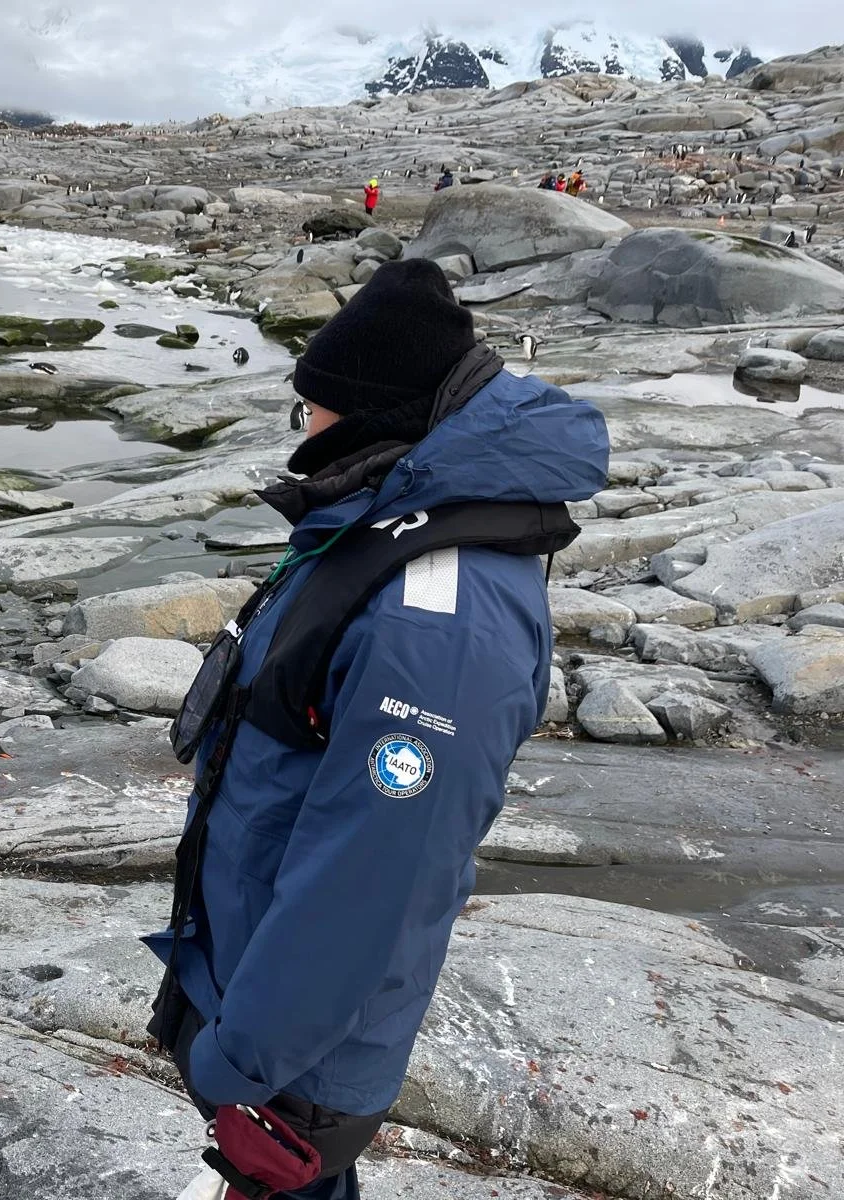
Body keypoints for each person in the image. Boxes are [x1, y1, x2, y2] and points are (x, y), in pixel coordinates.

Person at [146, 259, 608, 1200]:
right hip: (263, 982)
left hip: (296, 1048)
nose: (304, 428)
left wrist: (245, 1057)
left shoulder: (431, 623)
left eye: (310, 408)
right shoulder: (391, 514)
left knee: (293, 1186)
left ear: (371, 412)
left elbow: (377, 874)